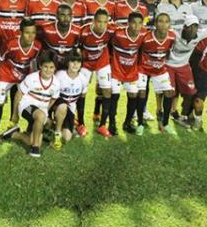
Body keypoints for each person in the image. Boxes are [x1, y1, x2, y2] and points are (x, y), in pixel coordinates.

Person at [0, 18, 41, 144]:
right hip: (6, 74)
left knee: (31, 100)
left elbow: (34, 62)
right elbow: (1, 57)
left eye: (33, 33)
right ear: (20, 32)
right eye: (27, 32)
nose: (30, 36)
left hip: (24, 75)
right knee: (0, 101)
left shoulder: (37, 46)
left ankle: (26, 129)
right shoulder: (10, 44)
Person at [12, 50, 60, 157]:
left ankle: (16, 134)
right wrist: (15, 114)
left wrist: (46, 110)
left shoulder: (56, 83)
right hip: (26, 106)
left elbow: (53, 99)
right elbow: (18, 95)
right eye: (45, 67)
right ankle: (35, 148)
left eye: (51, 67)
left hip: (41, 110)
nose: (48, 70)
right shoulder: (31, 78)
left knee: (31, 139)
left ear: (55, 68)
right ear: (40, 66)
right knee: (40, 116)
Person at [137, 13, 177, 135]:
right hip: (144, 68)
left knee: (169, 92)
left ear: (169, 24)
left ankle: (165, 123)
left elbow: (169, 52)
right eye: (160, 21)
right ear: (155, 24)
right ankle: (140, 123)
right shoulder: (146, 37)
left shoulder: (172, 37)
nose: (163, 24)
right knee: (142, 92)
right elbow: (137, 50)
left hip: (159, 69)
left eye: (166, 22)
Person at [165, 14, 207, 128]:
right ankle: (170, 113)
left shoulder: (200, 34)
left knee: (190, 93)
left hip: (184, 66)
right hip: (169, 65)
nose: (193, 30)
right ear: (184, 27)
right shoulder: (174, 34)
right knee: (170, 92)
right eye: (190, 27)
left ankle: (184, 116)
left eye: (195, 27)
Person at [78, 8, 115, 136]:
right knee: (81, 92)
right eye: (99, 22)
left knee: (107, 90)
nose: (102, 25)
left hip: (102, 62)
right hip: (86, 63)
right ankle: (80, 124)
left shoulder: (110, 30)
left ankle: (103, 125)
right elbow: (77, 47)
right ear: (94, 21)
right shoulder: (83, 32)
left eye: (105, 22)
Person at [109, 12, 146, 134]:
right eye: (134, 23)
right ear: (128, 23)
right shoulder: (118, 33)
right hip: (116, 69)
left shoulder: (143, 34)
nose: (137, 26)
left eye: (140, 23)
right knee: (114, 95)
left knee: (133, 95)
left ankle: (127, 122)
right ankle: (112, 123)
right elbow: (108, 34)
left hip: (131, 70)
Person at [52, 50, 89, 144]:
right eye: (73, 61)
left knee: (67, 137)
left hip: (70, 109)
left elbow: (81, 101)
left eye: (78, 62)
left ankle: (64, 126)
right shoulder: (59, 75)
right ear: (68, 62)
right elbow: (51, 95)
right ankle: (56, 131)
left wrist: (81, 123)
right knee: (62, 106)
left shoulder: (83, 79)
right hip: (57, 106)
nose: (75, 64)